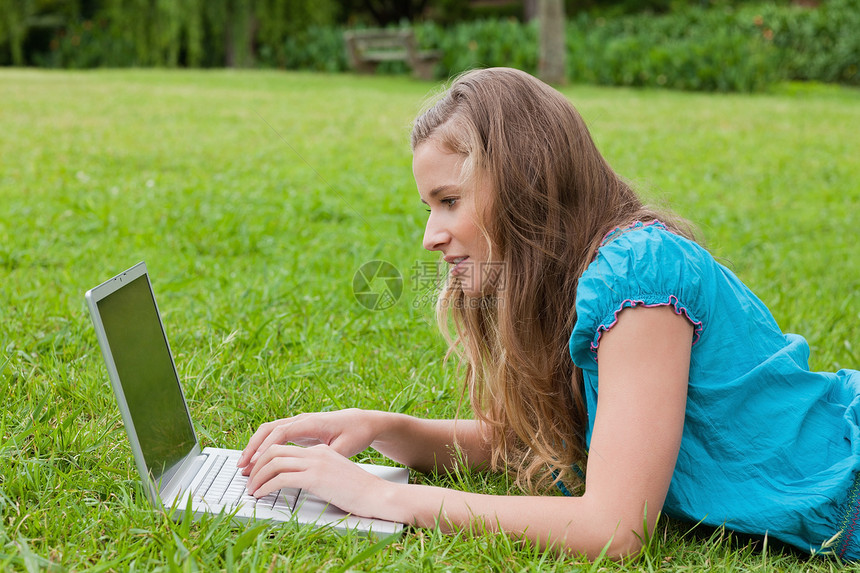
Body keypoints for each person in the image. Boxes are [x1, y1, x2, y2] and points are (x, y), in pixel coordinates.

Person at [236, 67, 860, 560]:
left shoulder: (639, 272)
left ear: (524, 185)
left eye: (450, 200)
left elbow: (613, 530)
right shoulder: (583, 280)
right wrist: (384, 428)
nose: (430, 235)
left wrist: (381, 498)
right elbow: (546, 448)